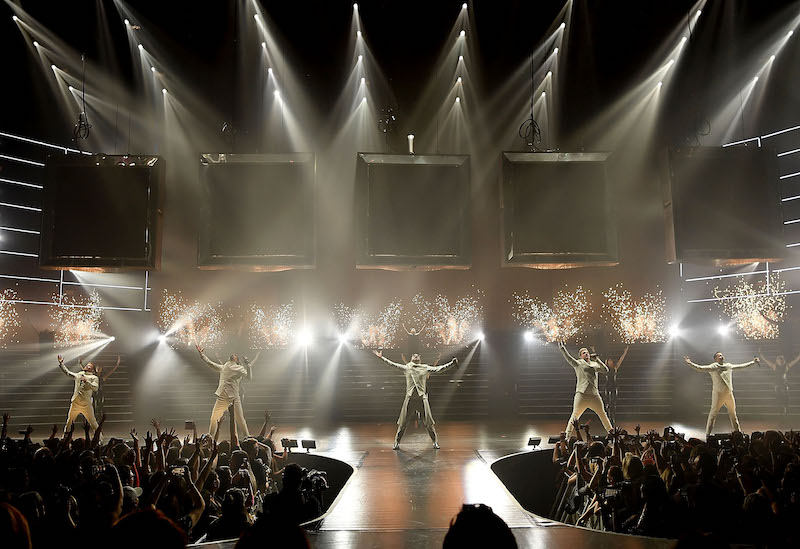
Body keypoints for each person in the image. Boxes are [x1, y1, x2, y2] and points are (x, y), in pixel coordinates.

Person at [372, 350, 458, 449]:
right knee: (403, 423)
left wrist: (452, 363)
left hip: (422, 399)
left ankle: (435, 442)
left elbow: (439, 369)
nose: (416, 356)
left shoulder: (425, 367)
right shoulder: (407, 367)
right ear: (411, 358)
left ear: (420, 359)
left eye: (417, 355)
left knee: (429, 423)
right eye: (414, 355)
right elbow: (392, 364)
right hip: (410, 399)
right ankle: (397, 442)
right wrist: (381, 357)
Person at [684, 352, 758, 435]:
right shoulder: (713, 367)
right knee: (713, 415)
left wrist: (753, 362)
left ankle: (738, 433)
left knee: (733, 414)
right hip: (718, 395)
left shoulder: (728, 366)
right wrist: (690, 363)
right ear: (715, 359)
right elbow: (700, 368)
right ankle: (708, 435)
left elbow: (741, 366)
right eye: (719, 356)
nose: (721, 356)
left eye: (722, 355)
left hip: (729, 394)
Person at [195, 344, 257, 438]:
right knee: (214, 417)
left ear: (237, 360)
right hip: (222, 396)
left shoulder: (239, 368)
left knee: (240, 418)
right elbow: (210, 363)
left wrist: (248, 364)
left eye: (235, 355)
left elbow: (249, 377)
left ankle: (247, 436)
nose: (233, 354)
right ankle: (210, 437)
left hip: (234, 397)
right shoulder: (224, 367)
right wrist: (201, 354)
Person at [558, 341, 613, 438]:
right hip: (582, 394)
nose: (586, 354)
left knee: (602, 414)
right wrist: (562, 348)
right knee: (575, 416)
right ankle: (567, 437)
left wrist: (597, 360)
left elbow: (605, 370)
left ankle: (611, 432)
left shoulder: (594, 364)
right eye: (584, 353)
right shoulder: (578, 363)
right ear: (580, 356)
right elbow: (568, 358)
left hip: (594, 395)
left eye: (587, 352)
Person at [57, 354, 100, 435]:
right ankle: (65, 438)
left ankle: (99, 438)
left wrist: (87, 381)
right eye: (87, 365)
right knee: (69, 422)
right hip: (75, 403)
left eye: (90, 366)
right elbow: (68, 373)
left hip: (86, 404)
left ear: (92, 369)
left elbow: (95, 388)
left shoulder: (94, 378)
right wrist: (61, 364)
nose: (87, 366)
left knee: (93, 423)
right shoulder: (79, 374)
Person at [758, 347, 800, 416]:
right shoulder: (774, 366)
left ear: (783, 360)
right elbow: (766, 360)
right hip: (777, 384)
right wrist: (761, 354)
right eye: (779, 359)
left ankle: (785, 408)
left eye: (781, 359)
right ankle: (780, 409)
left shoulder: (786, 366)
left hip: (784, 383)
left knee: (786, 396)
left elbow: (795, 360)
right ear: (777, 361)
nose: (780, 361)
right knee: (779, 396)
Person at [597, 346, 628, 425]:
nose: (610, 361)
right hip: (607, 386)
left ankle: (613, 418)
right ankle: (608, 418)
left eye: (611, 360)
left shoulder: (615, 367)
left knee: (613, 403)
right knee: (607, 403)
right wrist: (594, 351)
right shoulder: (605, 369)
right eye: (609, 361)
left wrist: (625, 352)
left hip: (614, 385)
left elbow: (621, 359)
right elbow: (599, 362)